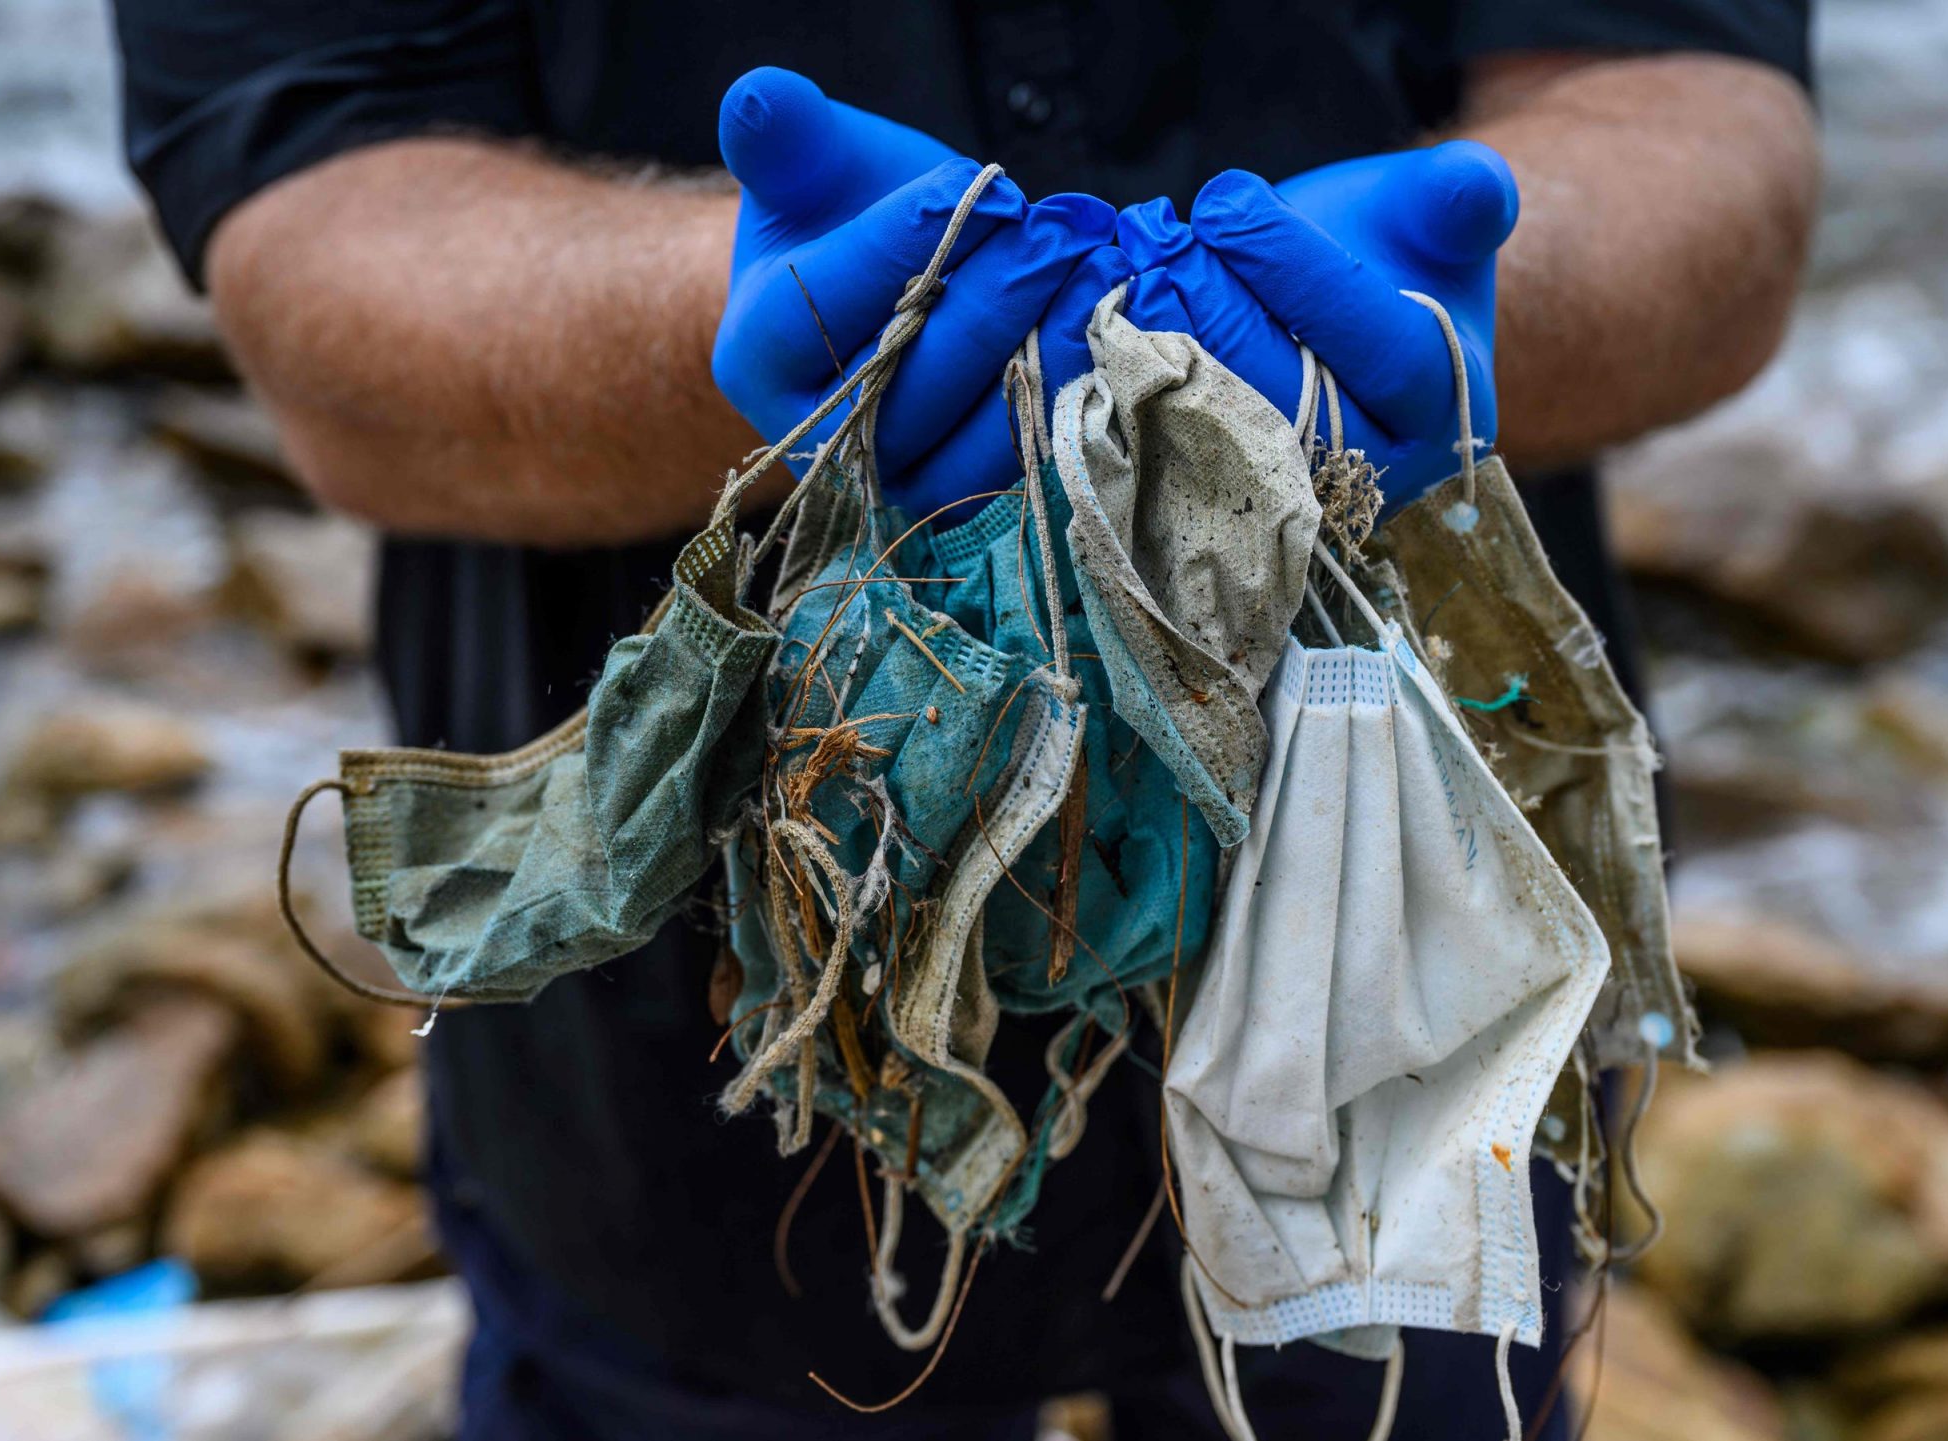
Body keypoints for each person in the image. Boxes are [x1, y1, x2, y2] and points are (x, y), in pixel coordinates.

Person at [111, 4, 1815, 1437]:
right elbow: (315, 211)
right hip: (685, 1118)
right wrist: (712, 332)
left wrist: (1505, 274)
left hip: (1412, 1030)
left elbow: (1695, 114)